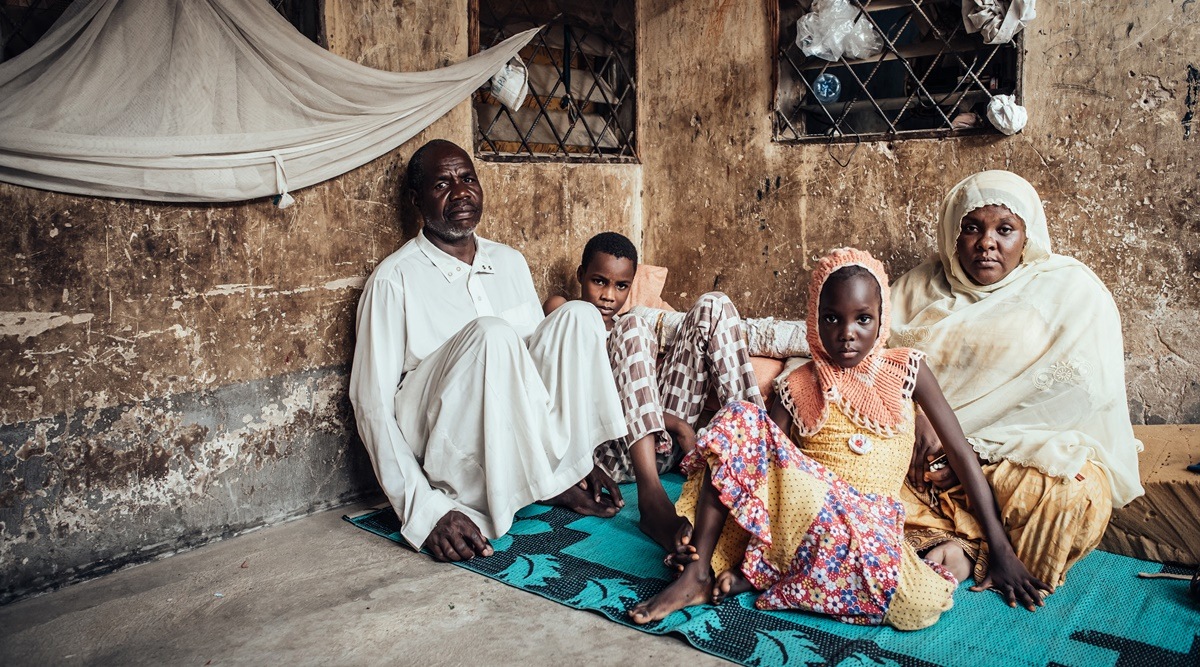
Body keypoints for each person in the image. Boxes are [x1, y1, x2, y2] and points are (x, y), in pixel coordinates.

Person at [627, 248, 1049, 630]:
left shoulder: (909, 370)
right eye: (832, 318)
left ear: (881, 320)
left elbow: (960, 454)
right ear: (815, 318)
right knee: (742, 420)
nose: (847, 332)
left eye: (862, 318)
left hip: (870, 527)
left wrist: (1001, 549)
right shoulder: (796, 385)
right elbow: (765, 474)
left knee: (919, 605)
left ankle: (772, 572)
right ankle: (697, 576)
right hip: (809, 519)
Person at [349, 139, 629, 563]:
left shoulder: (510, 261)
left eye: (467, 179)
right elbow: (370, 404)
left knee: (579, 316)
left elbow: (537, 373)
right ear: (416, 201)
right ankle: (480, 493)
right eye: (442, 184)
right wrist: (425, 512)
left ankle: (555, 473)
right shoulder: (394, 280)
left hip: (505, 428)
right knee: (492, 334)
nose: (460, 193)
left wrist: (577, 459)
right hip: (437, 441)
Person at [890, 170, 1144, 590]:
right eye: (971, 228)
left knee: (1076, 496)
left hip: (1011, 458)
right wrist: (915, 413)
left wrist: (969, 447)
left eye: (1004, 230)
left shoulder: (1070, 291)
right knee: (845, 459)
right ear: (953, 234)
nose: (986, 242)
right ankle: (960, 546)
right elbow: (870, 360)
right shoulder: (918, 288)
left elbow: (1081, 393)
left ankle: (967, 547)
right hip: (920, 459)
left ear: (1027, 237)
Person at [544, 232, 764, 551]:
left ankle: (754, 461)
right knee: (632, 327)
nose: (608, 295)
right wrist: (675, 424)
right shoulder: (565, 312)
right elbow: (567, 387)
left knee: (715, 304)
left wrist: (674, 426)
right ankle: (652, 498)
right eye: (598, 281)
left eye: (620, 286)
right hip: (606, 455)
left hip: (662, 447)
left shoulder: (626, 323)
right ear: (580, 276)